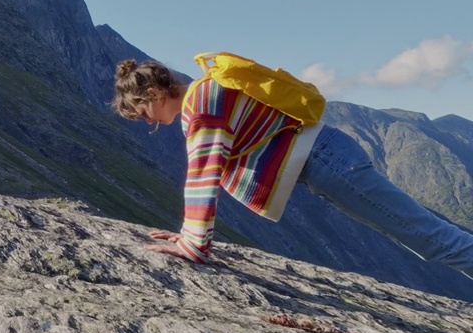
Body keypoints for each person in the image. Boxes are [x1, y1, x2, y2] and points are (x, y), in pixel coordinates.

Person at [112, 58, 473, 277]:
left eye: (144, 114)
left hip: (328, 162)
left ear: (155, 95)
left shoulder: (201, 105)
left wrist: (192, 243)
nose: (151, 123)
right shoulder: (208, 89)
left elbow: (203, 173)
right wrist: (188, 234)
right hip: (329, 159)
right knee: (421, 236)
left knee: (431, 239)